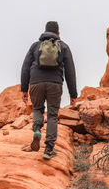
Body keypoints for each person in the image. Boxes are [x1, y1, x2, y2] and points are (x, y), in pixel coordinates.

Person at [20, 21, 77, 160]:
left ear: (44, 31)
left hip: (36, 83)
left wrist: (24, 89)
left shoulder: (36, 45)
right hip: (55, 84)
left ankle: (37, 131)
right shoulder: (63, 46)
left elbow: (25, 67)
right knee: (52, 115)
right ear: (58, 33)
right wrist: (73, 94)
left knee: (37, 109)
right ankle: (49, 148)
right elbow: (70, 71)